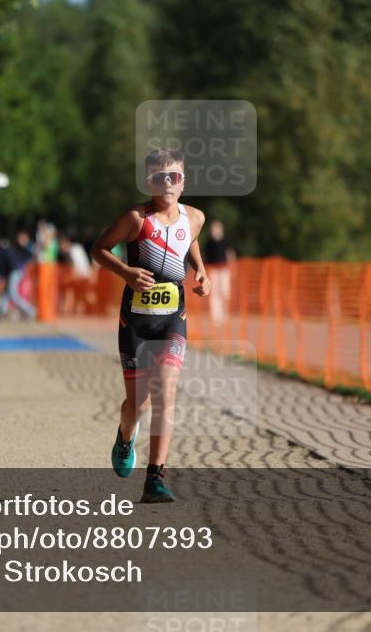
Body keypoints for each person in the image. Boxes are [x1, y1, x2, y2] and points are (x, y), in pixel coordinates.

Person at [92, 149, 210, 503]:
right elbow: (99, 249)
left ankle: (155, 477)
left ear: (183, 180)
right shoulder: (135, 219)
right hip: (136, 322)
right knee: (138, 405)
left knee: (166, 392)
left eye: (174, 176)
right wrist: (126, 273)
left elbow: (189, 241)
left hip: (173, 318)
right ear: (148, 182)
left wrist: (201, 270)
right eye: (160, 177)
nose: (167, 183)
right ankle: (126, 437)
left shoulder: (196, 218)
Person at [202, 220, 235, 328]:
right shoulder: (209, 242)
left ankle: (225, 314)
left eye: (217, 228)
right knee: (214, 293)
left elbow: (230, 254)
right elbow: (204, 257)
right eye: (213, 228)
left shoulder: (226, 241)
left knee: (225, 292)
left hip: (224, 270)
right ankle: (216, 317)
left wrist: (233, 267)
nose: (214, 231)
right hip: (213, 271)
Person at [0, 231, 37, 319]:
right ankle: (1, 311)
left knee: (12, 294)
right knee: (8, 293)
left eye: (25, 239)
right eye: (21, 239)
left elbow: (30, 261)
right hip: (14, 273)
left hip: (18, 273)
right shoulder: (13, 249)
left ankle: (30, 310)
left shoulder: (28, 250)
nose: (23, 241)